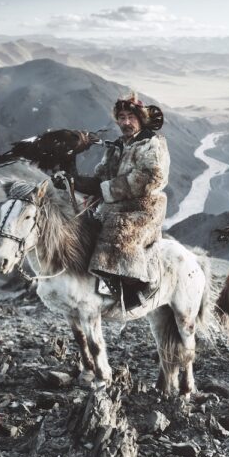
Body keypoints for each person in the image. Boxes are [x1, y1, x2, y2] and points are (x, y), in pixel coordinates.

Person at [60, 92, 169, 310]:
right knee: (81, 227)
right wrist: (73, 181)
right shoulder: (117, 146)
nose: (126, 122)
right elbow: (101, 177)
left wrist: (106, 189)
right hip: (115, 204)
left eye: (131, 117)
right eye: (122, 117)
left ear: (141, 118)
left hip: (144, 207)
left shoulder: (152, 145)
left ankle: (134, 290)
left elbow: (148, 179)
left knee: (117, 231)